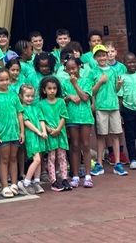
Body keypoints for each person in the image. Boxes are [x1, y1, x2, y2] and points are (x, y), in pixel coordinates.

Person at [89, 44, 127, 176]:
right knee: (101, 136)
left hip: (114, 106)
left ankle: (117, 163)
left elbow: (116, 90)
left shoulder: (113, 70)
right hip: (101, 107)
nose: (102, 57)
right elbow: (91, 91)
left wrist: (119, 85)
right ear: (95, 57)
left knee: (115, 135)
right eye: (99, 55)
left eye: (103, 55)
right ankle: (99, 164)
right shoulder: (93, 72)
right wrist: (99, 82)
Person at [0, 67, 23, 198]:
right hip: (2, 133)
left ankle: (14, 183)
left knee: (14, 158)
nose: (5, 82)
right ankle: (4, 185)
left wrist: (22, 132)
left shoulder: (13, 95)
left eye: (7, 79)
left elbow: (19, 114)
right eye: (1, 80)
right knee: (4, 159)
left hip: (14, 132)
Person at [63, 56, 94, 188]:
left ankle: (88, 175)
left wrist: (75, 84)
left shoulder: (86, 81)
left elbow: (85, 97)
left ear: (79, 67)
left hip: (85, 117)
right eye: (69, 69)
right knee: (74, 146)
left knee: (85, 145)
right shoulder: (64, 83)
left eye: (74, 68)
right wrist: (69, 97)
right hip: (71, 117)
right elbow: (61, 100)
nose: (72, 71)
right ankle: (75, 175)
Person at [39, 76, 70, 191]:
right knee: (51, 157)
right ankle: (53, 180)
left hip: (60, 133)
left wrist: (58, 129)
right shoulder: (41, 104)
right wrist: (48, 129)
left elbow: (63, 116)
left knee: (62, 157)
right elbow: (41, 119)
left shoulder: (61, 102)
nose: (52, 91)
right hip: (50, 133)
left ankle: (64, 178)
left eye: (54, 88)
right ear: (44, 90)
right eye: (49, 88)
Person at [19, 83, 46, 195]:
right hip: (31, 136)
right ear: (21, 96)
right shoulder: (21, 109)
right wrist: (38, 131)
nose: (30, 98)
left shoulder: (36, 108)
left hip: (39, 136)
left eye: (32, 96)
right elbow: (26, 122)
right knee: (37, 159)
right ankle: (25, 182)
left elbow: (41, 120)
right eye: (27, 96)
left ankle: (36, 181)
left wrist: (43, 131)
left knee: (39, 158)